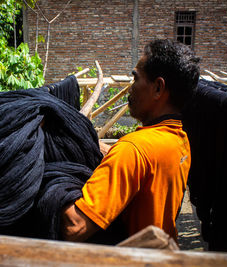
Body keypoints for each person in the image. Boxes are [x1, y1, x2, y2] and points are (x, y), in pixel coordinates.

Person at [61, 39, 200, 243]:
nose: (130, 88)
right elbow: (146, 166)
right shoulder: (180, 140)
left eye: (135, 79)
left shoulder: (133, 150)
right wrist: (92, 145)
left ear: (158, 88)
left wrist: (47, 177)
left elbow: (74, 228)